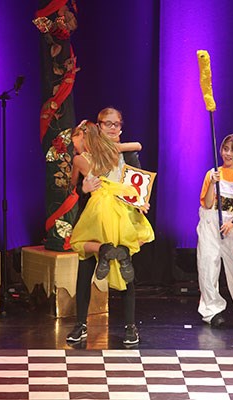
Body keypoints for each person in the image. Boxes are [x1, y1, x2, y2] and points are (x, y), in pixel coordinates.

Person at [66, 108, 153, 346]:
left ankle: (130, 326)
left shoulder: (127, 154)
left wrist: (141, 202)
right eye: (108, 124)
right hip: (93, 217)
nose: (113, 128)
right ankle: (81, 324)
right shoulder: (88, 154)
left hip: (121, 215)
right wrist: (84, 189)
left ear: (121, 127)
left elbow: (138, 182)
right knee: (85, 270)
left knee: (125, 271)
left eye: (117, 124)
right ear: (99, 126)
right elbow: (75, 186)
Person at [197, 133, 233, 327]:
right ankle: (211, 311)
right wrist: (213, 183)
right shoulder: (212, 173)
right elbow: (207, 203)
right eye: (225, 149)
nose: (228, 154)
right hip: (210, 225)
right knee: (208, 267)